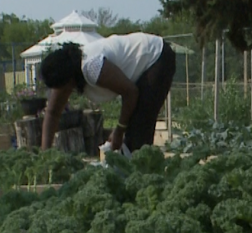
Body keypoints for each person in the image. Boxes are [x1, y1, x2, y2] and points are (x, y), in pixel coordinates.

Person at [38, 33, 176, 152]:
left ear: (68, 79)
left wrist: (119, 130)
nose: (60, 92)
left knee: (138, 131)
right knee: (134, 135)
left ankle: (140, 176)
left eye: (60, 86)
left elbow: (130, 93)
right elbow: (53, 113)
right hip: (140, 70)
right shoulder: (68, 74)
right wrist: (45, 155)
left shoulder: (91, 67)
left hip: (156, 57)